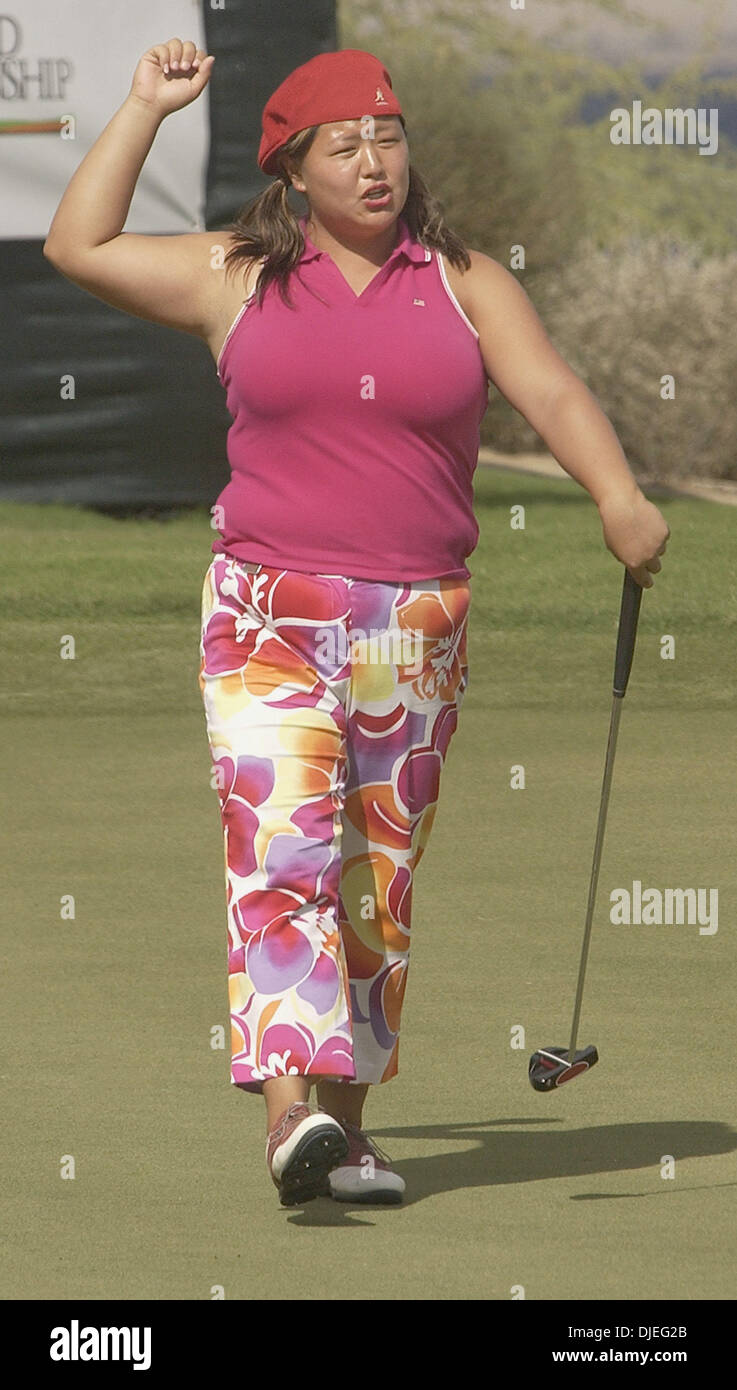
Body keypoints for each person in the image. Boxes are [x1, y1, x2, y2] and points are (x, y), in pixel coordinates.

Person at [43, 39, 670, 1210]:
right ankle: (292, 1116)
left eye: (386, 137)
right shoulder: (231, 274)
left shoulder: (465, 278)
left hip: (414, 624)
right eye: (344, 147)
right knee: (281, 849)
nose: (374, 162)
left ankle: (347, 1132)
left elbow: (551, 393)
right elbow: (76, 244)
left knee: (374, 886)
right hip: (266, 609)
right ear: (293, 172)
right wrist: (142, 108)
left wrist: (618, 496)